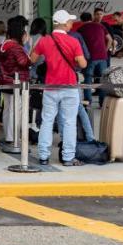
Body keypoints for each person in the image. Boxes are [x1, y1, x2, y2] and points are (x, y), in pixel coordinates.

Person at [29, 10, 87, 166]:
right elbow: (83, 64)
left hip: (50, 87)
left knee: (47, 121)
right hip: (69, 87)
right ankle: (68, 157)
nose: (72, 24)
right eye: (70, 22)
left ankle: (43, 156)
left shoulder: (44, 41)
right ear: (65, 24)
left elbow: (32, 59)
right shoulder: (73, 41)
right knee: (69, 122)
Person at [0, 15, 32, 144]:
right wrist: (26, 46)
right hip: (17, 81)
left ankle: (8, 135)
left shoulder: (3, 45)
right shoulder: (16, 47)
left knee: (7, 109)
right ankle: (14, 137)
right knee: (16, 110)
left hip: (5, 80)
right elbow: (24, 62)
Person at [78, 11, 112, 108]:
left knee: (88, 79)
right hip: (102, 57)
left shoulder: (80, 29)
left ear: (81, 20)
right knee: (103, 80)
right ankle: (103, 103)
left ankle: (88, 102)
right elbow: (109, 39)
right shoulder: (100, 26)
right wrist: (105, 50)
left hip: (90, 58)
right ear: (91, 18)